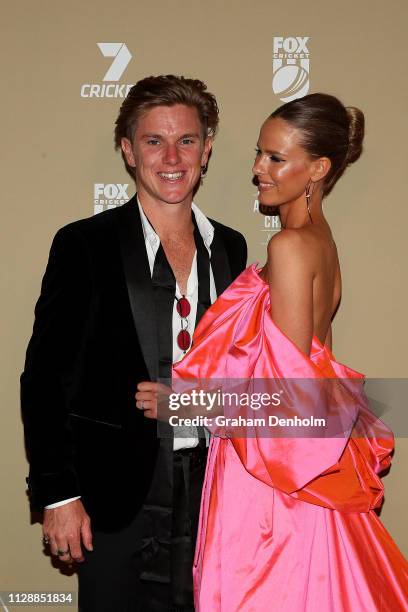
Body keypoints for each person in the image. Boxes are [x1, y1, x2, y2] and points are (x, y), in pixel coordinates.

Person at [138, 93, 408, 610]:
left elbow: (287, 402)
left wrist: (186, 405)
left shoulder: (289, 248)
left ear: (318, 168)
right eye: (260, 154)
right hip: (289, 469)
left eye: (275, 158)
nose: (257, 169)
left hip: (271, 481)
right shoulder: (319, 240)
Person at [21, 74, 247, 611]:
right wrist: (59, 494)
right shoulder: (83, 245)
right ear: (127, 149)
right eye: (153, 141)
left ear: (207, 149)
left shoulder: (233, 250)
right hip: (113, 499)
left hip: (216, 494)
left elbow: (249, 375)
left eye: (187, 140)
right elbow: (45, 378)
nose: (172, 156)